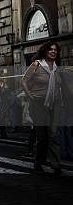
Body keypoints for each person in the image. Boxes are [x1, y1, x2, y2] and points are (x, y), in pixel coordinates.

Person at [21, 41, 63, 176]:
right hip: (38, 104)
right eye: (51, 49)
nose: (53, 52)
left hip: (54, 104)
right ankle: (38, 162)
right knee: (42, 136)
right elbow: (24, 82)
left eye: (55, 50)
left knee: (54, 134)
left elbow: (59, 86)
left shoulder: (56, 67)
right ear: (45, 51)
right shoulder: (37, 65)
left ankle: (56, 165)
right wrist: (30, 96)